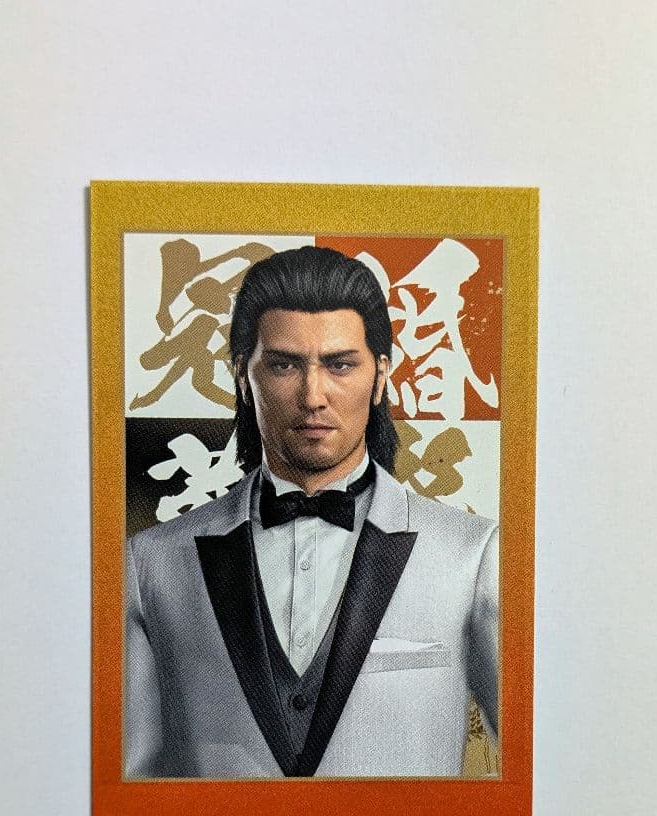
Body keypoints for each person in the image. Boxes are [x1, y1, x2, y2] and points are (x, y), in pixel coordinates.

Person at [125, 246, 498, 778]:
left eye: (340, 364)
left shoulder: (473, 554)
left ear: (381, 376)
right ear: (242, 375)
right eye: (284, 365)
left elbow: (529, 776)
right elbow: (130, 789)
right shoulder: (151, 564)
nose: (313, 396)